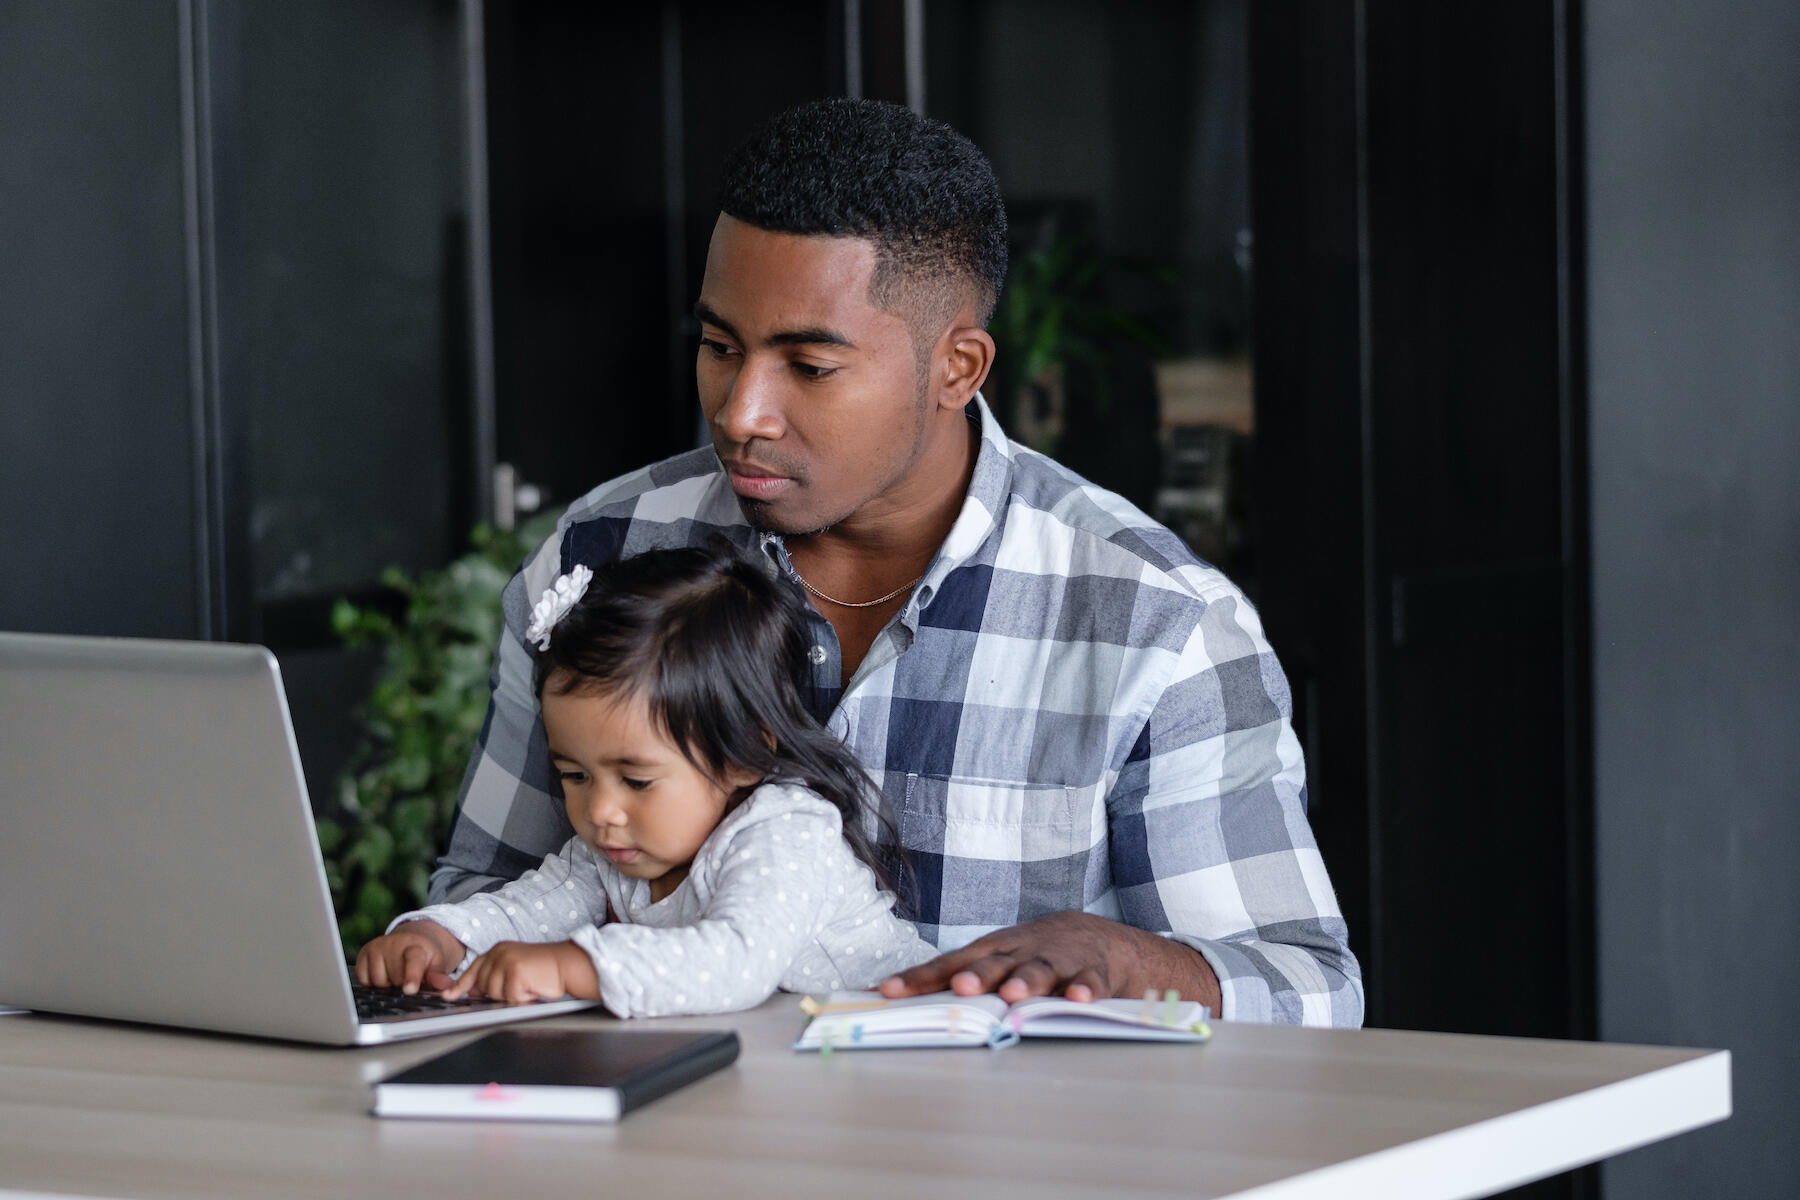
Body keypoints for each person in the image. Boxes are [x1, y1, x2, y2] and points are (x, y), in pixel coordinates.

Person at [431, 97, 1363, 1027]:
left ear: (959, 367)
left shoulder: (1157, 625)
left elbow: (1314, 995)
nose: (740, 411)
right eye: (719, 347)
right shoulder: (604, 551)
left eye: (809, 365)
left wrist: (1126, 957)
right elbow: (491, 900)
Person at [358, 543, 937, 1014]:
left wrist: (579, 965)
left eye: (636, 781)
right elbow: (524, 911)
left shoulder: (785, 831)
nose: (601, 810)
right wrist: (437, 936)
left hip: (909, 1065)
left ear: (745, 754)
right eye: (574, 774)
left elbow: (735, 964)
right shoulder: (615, 855)